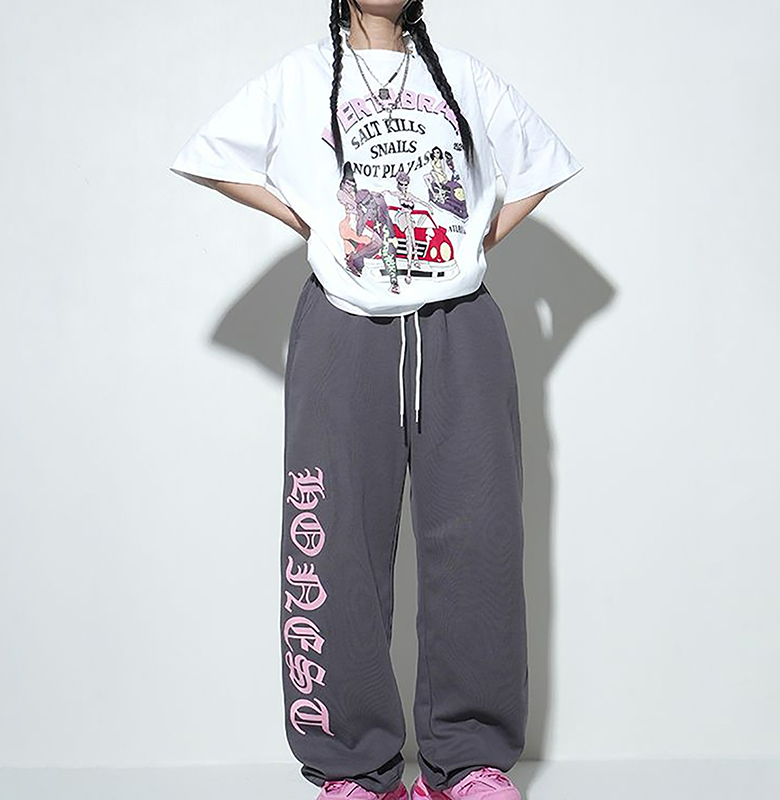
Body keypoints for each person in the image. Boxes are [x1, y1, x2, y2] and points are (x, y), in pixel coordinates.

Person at [169, 2, 583, 799]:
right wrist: (310, 220)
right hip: (343, 329)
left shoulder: (462, 76)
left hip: (459, 327)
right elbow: (207, 153)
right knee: (335, 545)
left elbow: (541, 163)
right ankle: (352, 768)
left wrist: (475, 239)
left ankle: (469, 763)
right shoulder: (299, 78)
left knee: (479, 540)